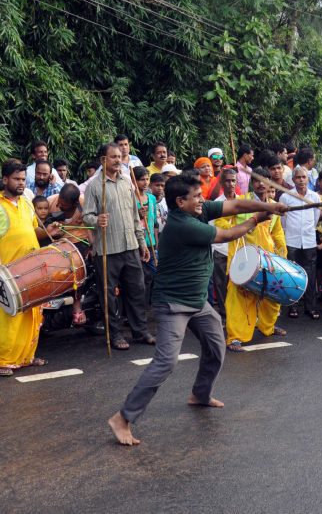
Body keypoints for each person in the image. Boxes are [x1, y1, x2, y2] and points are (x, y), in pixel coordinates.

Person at [107, 173, 286, 446]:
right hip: (173, 304)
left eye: (202, 195)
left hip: (197, 302)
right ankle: (123, 418)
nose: (203, 200)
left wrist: (267, 206)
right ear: (181, 202)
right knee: (166, 362)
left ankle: (200, 394)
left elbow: (235, 206)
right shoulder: (182, 225)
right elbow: (228, 233)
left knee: (216, 346)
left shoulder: (198, 211)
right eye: (197, 197)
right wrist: (257, 219)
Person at [0, 162, 48, 376]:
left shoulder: (27, 203)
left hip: (31, 269)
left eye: (23, 180)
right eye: (17, 179)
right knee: (8, 315)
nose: (21, 183)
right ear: (5, 179)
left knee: (33, 313)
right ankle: (5, 361)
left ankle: (27, 356)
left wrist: (50, 230)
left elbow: (33, 230)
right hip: (6, 271)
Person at [83, 143, 154, 351]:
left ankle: (140, 331)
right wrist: (97, 220)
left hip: (130, 245)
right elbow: (86, 215)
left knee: (137, 290)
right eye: (113, 157)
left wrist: (142, 242)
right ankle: (114, 334)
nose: (118, 160)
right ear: (103, 160)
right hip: (107, 249)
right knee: (109, 295)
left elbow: (134, 217)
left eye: (119, 156)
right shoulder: (94, 186)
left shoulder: (127, 183)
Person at [224, 167, 288, 351]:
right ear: (252, 183)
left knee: (272, 295)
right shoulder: (241, 203)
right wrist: (245, 225)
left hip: (268, 258)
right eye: (257, 180)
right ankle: (235, 337)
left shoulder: (275, 205)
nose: (261, 184)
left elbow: (277, 233)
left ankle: (267, 326)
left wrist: (282, 257)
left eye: (264, 180)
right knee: (240, 298)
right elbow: (223, 223)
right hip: (244, 258)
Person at [279, 165, 321, 319]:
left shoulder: (314, 197)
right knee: (291, 274)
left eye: (304, 177)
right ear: (293, 179)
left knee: (310, 273)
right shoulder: (286, 197)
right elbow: (283, 220)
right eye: (298, 177)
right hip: (292, 240)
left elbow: (316, 217)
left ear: (308, 179)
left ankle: (310, 307)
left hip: (309, 240)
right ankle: (293, 306)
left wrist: (308, 231)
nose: (301, 180)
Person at [46, 184, 90, 325]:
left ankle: (77, 306)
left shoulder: (85, 203)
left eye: (63, 205)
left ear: (75, 203)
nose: (58, 205)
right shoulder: (50, 201)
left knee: (78, 269)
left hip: (81, 244)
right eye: (59, 201)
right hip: (57, 244)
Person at [211, 168, 238, 318]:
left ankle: (237, 313)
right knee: (221, 285)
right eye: (227, 180)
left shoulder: (242, 201)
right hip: (221, 250)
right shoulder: (216, 204)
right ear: (222, 183)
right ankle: (224, 313)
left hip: (239, 249)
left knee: (238, 284)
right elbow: (213, 228)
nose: (230, 184)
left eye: (233, 180)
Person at [133, 166, 159, 306]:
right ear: (134, 181)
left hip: (151, 242)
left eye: (147, 179)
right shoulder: (132, 199)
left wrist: (156, 241)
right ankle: (139, 307)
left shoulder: (152, 199)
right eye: (141, 179)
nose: (145, 182)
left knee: (152, 274)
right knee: (140, 276)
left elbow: (154, 222)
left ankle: (148, 304)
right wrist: (138, 214)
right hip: (138, 243)